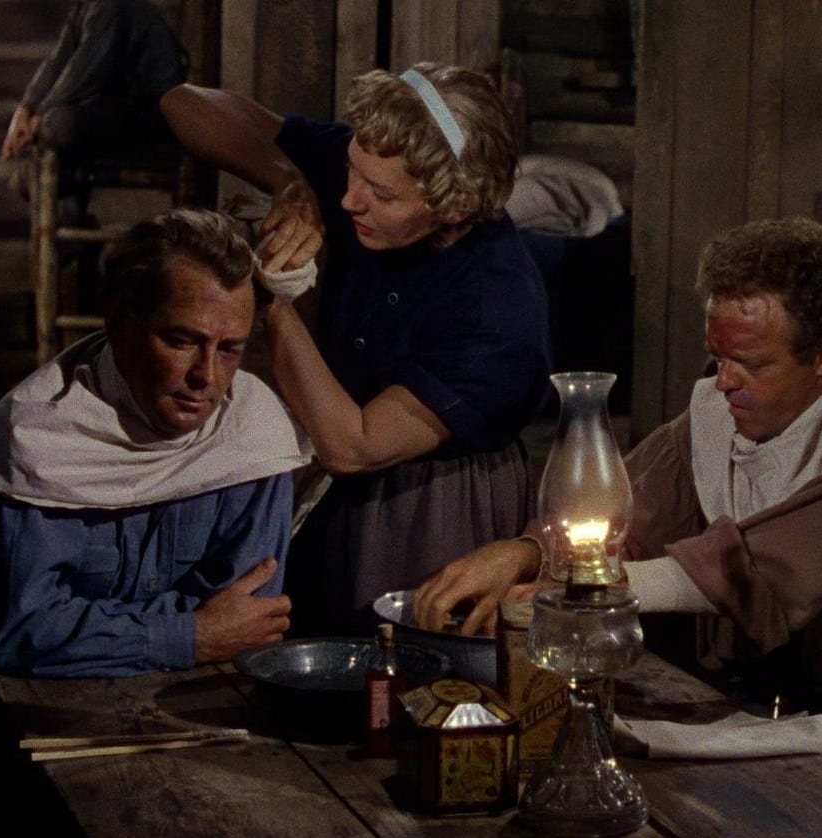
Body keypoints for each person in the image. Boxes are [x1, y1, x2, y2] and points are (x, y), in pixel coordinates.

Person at [413, 218, 822, 831]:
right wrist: (526, 552)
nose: (724, 381)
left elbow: (756, 565)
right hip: (750, 719)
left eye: (750, 363)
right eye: (718, 357)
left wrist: (590, 588)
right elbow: (621, 517)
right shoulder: (716, 416)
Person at [160, 61, 553, 637]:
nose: (349, 200)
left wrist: (272, 302)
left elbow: (354, 444)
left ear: (454, 206)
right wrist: (287, 180)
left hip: (430, 502)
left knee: (402, 659)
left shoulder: (496, 312)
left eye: (382, 195)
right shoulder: (377, 163)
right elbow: (183, 103)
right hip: (330, 466)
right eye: (350, 171)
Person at [0, 208, 313, 677]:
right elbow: (22, 631)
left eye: (229, 349)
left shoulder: (253, 434)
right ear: (120, 326)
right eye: (181, 341)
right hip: (30, 705)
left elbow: (248, 620)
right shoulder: (39, 440)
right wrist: (191, 634)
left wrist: (93, 631)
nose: (206, 376)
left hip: (195, 699)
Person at [0, 0, 188, 222]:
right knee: (56, 126)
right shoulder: (83, 8)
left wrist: (37, 119)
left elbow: (85, 71)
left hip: (153, 117)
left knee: (57, 125)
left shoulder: (110, 5)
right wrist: (24, 111)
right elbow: (57, 62)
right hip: (123, 112)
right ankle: (71, 219)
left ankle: (64, 206)